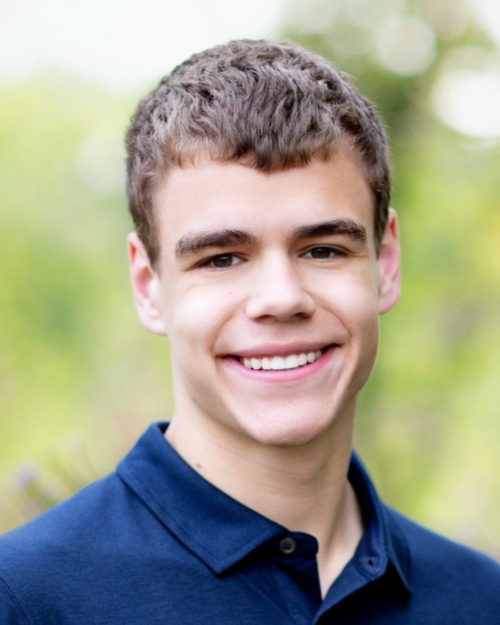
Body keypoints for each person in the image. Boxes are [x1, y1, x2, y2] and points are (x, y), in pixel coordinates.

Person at [0, 39, 499, 625]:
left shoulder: (480, 600)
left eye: (322, 249)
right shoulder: (26, 596)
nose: (281, 298)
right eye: (222, 259)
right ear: (148, 285)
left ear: (384, 263)